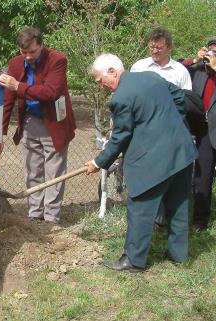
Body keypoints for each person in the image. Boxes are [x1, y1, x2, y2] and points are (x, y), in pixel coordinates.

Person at [86, 54, 197, 272]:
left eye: (100, 80)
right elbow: (180, 98)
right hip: (181, 152)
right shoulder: (151, 77)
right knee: (178, 206)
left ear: (113, 71)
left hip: (154, 161)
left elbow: (121, 137)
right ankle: (179, 255)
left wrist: (98, 162)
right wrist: (168, 122)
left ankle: (134, 260)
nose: (100, 86)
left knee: (140, 209)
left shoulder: (120, 98)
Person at [0, 27, 76, 224]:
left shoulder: (57, 60)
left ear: (41, 45)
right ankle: (35, 215)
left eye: (32, 52)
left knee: (54, 173)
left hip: (54, 123)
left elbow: (50, 92)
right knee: (33, 171)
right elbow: (8, 98)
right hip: (30, 122)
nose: (28, 56)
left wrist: (18, 86)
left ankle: (51, 218)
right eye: (24, 52)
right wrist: (0, 132)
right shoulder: (15, 63)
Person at [131, 27, 192, 227]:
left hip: (172, 132)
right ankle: (153, 219)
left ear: (169, 47)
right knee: (150, 175)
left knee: (170, 174)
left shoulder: (180, 71)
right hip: (145, 131)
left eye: (159, 47)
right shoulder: (139, 67)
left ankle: (169, 218)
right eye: (151, 47)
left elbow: (187, 102)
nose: (154, 51)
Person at [181, 36, 216, 230]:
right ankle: (199, 220)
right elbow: (176, 69)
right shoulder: (198, 71)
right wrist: (195, 60)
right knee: (201, 179)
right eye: (215, 51)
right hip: (202, 132)